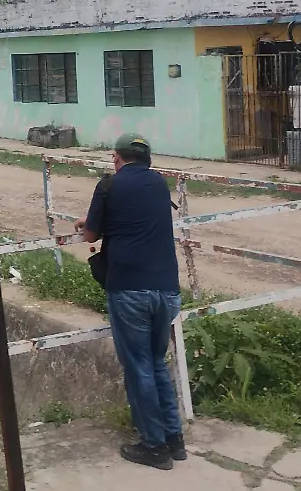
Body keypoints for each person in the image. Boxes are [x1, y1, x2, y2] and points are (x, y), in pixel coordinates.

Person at [77, 133, 183, 470]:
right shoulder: (159, 185)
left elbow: (91, 235)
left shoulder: (108, 187)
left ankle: (154, 447)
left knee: (139, 368)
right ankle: (174, 438)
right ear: (147, 159)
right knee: (157, 363)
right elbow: (136, 220)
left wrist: (85, 225)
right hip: (167, 290)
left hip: (130, 291)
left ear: (116, 158)